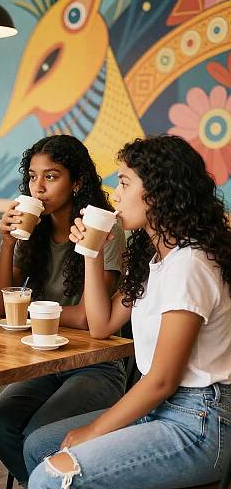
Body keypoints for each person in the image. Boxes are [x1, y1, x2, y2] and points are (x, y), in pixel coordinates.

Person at [26, 135, 231, 488]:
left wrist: (93, 431)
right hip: (163, 409)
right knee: (38, 445)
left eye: (123, 182)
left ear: (159, 192)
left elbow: (163, 380)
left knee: (51, 476)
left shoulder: (190, 265)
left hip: (197, 421)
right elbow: (101, 326)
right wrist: (90, 253)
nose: (114, 194)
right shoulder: (155, 260)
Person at [0, 134, 126, 485]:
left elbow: (85, 318)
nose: (39, 188)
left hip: (95, 365)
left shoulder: (104, 228)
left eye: (51, 176)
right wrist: (6, 245)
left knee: (40, 432)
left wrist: (30, 310)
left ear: (77, 181)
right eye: (33, 177)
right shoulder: (32, 231)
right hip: (44, 361)